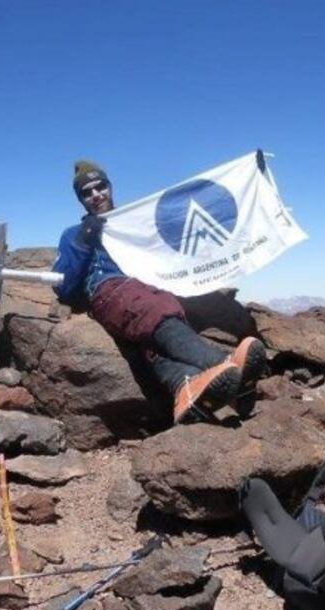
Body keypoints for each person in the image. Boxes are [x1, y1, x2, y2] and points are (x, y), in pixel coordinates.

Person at [52, 160, 267, 424]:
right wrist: (84, 241)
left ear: (110, 186)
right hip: (111, 290)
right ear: (80, 199)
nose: (96, 195)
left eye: (101, 187)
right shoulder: (74, 235)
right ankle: (222, 362)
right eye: (87, 192)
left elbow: (176, 229)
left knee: (149, 341)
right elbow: (63, 286)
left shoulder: (133, 221)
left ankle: (186, 387)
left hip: (146, 287)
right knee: (151, 307)